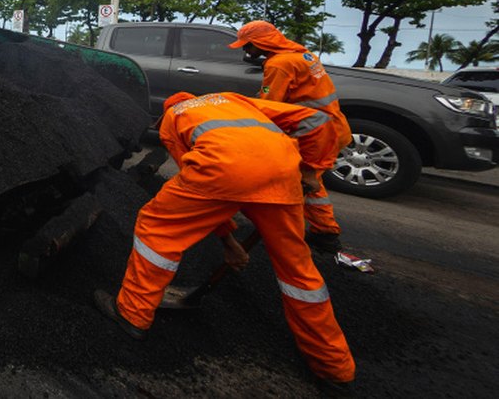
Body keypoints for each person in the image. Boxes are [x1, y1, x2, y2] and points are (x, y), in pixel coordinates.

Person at [94, 91, 354, 393]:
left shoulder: (173, 120)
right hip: (283, 172)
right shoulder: (232, 99)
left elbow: (202, 187)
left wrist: (227, 239)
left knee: (157, 227)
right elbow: (318, 119)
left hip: (225, 169)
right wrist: (310, 168)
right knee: (297, 269)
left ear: (167, 110)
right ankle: (334, 366)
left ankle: (133, 314)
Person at [229, 20, 351, 253]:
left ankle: (320, 234)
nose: (246, 51)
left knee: (306, 180)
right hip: (332, 125)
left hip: (314, 133)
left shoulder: (279, 64)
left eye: (248, 46)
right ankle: (324, 231)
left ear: (261, 42)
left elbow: (270, 105)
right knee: (311, 180)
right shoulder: (303, 54)